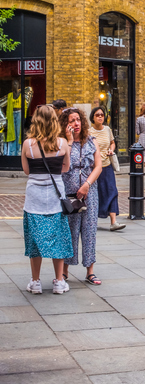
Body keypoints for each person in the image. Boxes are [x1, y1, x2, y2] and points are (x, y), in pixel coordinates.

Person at [21, 105, 73, 294]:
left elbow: (27, 171)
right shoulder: (62, 143)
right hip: (55, 196)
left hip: (34, 197)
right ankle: (59, 281)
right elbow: (66, 168)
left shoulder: (28, 144)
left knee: (35, 239)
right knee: (58, 237)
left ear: (36, 120)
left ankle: (35, 282)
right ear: (54, 121)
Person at [60, 108, 102, 285]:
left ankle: (90, 271)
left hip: (89, 193)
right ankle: (64, 271)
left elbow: (98, 166)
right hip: (69, 193)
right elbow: (62, 165)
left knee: (89, 230)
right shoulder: (62, 143)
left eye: (78, 120)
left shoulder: (91, 141)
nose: (76, 124)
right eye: (71, 121)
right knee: (69, 231)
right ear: (65, 125)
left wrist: (87, 185)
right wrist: (69, 141)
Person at [89, 107, 125, 232]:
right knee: (95, 194)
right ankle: (92, 220)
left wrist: (112, 149)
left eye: (102, 115)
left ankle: (113, 222)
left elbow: (112, 142)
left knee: (112, 191)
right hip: (94, 169)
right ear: (93, 117)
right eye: (97, 115)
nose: (100, 117)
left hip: (107, 166)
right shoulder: (89, 132)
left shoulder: (108, 130)